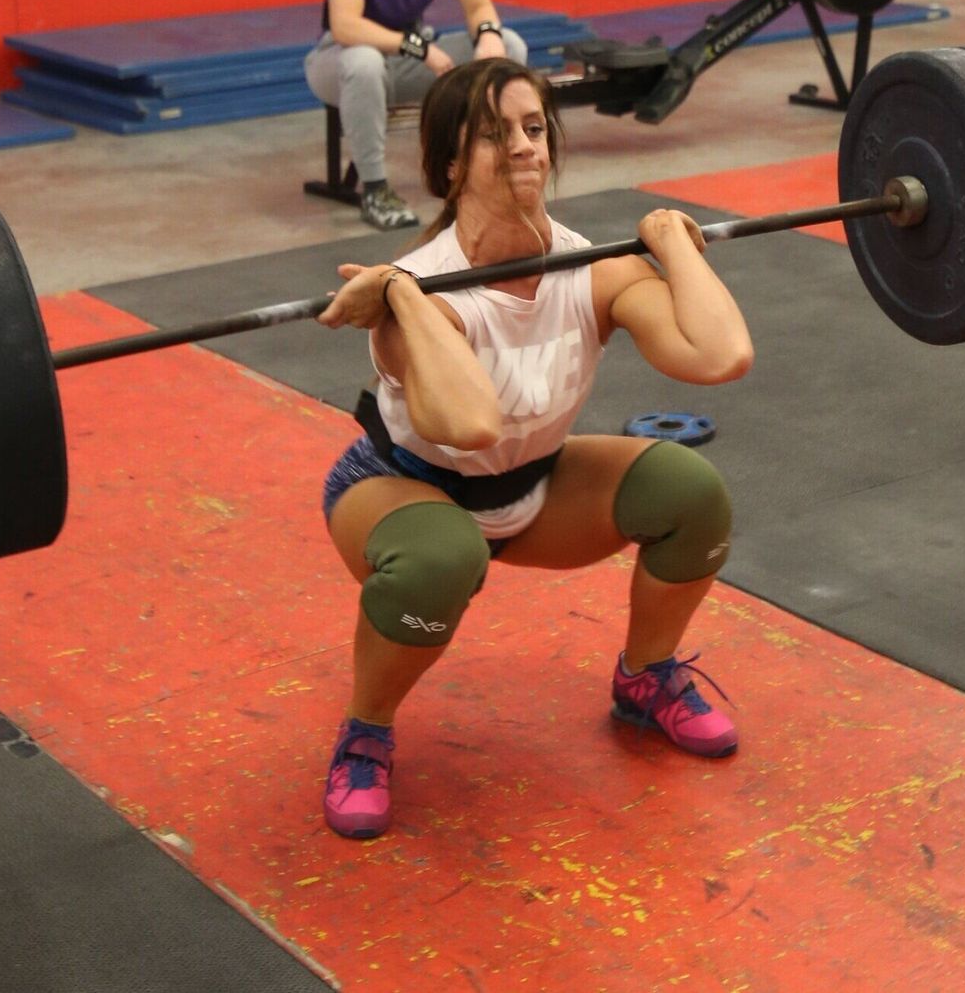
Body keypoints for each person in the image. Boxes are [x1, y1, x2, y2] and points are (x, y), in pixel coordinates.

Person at [312, 57, 754, 839]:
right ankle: (365, 730)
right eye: (493, 134)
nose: (523, 146)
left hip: (534, 489)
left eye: (532, 127)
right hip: (406, 490)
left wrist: (669, 241)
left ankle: (645, 676)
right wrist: (404, 298)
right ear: (450, 164)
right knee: (443, 556)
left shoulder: (589, 268)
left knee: (692, 494)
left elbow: (719, 356)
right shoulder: (416, 289)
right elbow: (468, 423)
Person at [304, 0, 530, 230]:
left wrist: (488, 36)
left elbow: (477, 5)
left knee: (511, 47)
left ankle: (486, 168)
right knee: (364, 62)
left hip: (404, 62)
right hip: (338, 61)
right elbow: (345, 26)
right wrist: (420, 48)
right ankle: (375, 190)